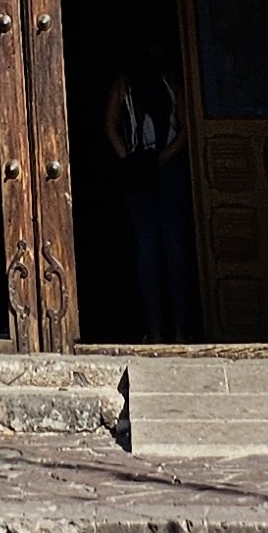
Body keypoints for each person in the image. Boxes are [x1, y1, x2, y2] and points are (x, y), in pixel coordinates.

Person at [107, 59, 198, 341]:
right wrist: (164, 156)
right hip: (168, 168)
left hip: (139, 170)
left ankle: (156, 332)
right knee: (175, 247)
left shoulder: (124, 82)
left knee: (147, 249)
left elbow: (110, 126)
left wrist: (129, 157)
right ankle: (182, 332)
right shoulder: (170, 79)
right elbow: (186, 127)